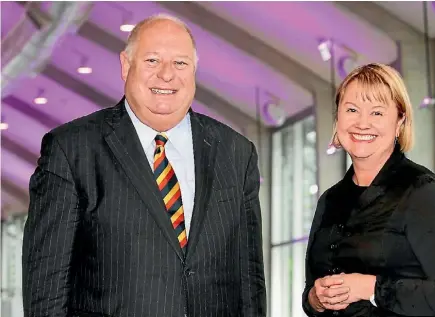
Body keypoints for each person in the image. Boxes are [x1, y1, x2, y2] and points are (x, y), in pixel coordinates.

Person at [22, 14, 266, 317]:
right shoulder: (72, 150)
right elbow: (46, 287)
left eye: (180, 63)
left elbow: (250, 280)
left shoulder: (236, 153)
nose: (167, 75)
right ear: (126, 65)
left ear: (194, 71)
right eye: (152, 61)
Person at [302, 63, 435, 317]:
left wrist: (371, 287)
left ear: (400, 121)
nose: (362, 123)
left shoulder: (423, 192)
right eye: (351, 110)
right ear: (337, 116)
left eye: (377, 113)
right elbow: (311, 290)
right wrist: (316, 298)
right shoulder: (330, 200)